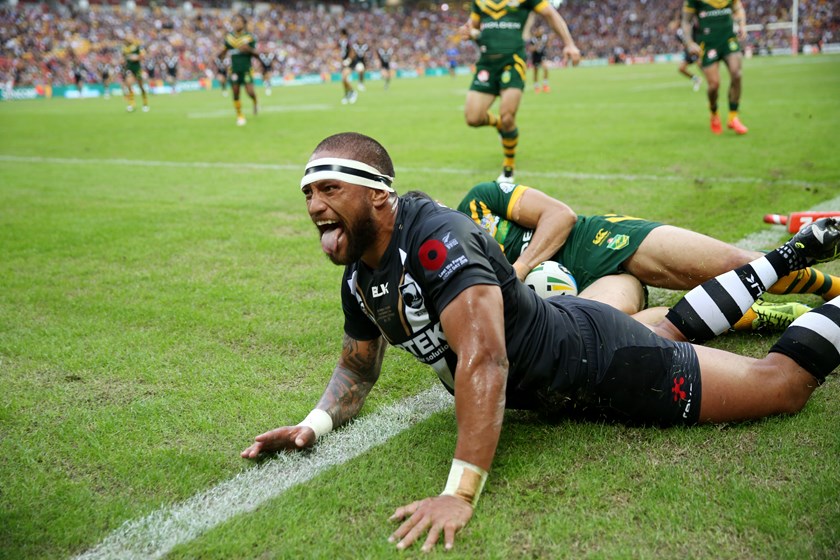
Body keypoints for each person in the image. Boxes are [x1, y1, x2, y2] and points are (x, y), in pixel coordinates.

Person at [242, 132, 840, 553]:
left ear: (377, 194)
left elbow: (485, 359)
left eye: (328, 190)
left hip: (595, 363)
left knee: (777, 385)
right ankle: (787, 256)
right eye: (308, 194)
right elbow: (357, 371)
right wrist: (314, 424)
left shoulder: (435, 241)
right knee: (659, 330)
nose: (315, 207)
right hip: (566, 331)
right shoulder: (359, 276)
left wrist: (459, 493)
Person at [456, 181, 840, 330]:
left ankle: (831, 287)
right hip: (590, 290)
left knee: (731, 264)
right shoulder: (451, 267)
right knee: (611, 330)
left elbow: (562, 216)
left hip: (599, 240)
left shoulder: (479, 200)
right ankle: (755, 317)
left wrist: (520, 268)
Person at [459, 1, 580, 183]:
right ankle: (499, 126)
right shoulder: (479, 2)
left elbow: (550, 14)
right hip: (486, 64)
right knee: (473, 118)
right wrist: (468, 32)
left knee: (508, 116)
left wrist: (569, 43)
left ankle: (508, 170)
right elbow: (473, 28)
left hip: (513, 62)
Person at [682, 0, 748, 135]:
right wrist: (689, 43)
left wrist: (742, 25)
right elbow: (685, 21)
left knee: (737, 74)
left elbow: (738, 8)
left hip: (728, 39)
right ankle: (714, 112)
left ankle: (733, 117)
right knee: (714, 85)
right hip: (708, 43)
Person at [218, 13, 258, 126]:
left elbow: (256, 54)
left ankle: (255, 101)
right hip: (234, 70)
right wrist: (221, 53)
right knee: (235, 92)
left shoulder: (249, 37)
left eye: (239, 22)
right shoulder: (229, 38)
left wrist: (248, 49)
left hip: (246, 69)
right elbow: (223, 52)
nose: (237, 24)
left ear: (244, 24)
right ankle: (240, 115)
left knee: (250, 92)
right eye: (235, 22)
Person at [121, 35, 149, 112]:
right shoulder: (124, 48)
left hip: (137, 68)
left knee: (141, 86)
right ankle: (131, 104)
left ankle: (145, 103)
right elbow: (123, 58)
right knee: (129, 85)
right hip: (129, 68)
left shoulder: (137, 46)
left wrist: (136, 57)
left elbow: (143, 55)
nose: (129, 39)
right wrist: (123, 61)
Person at [676, 25, 702, 91]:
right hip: (688, 51)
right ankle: (696, 79)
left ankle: (711, 82)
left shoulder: (693, 27)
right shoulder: (678, 32)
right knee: (681, 68)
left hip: (696, 49)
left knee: (701, 66)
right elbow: (683, 43)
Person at [338, 29, 357, 105]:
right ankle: (347, 94)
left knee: (345, 78)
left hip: (349, 63)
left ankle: (353, 92)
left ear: (344, 35)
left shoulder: (348, 42)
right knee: (343, 80)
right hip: (344, 63)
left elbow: (353, 52)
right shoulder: (341, 43)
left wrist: (348, 60)